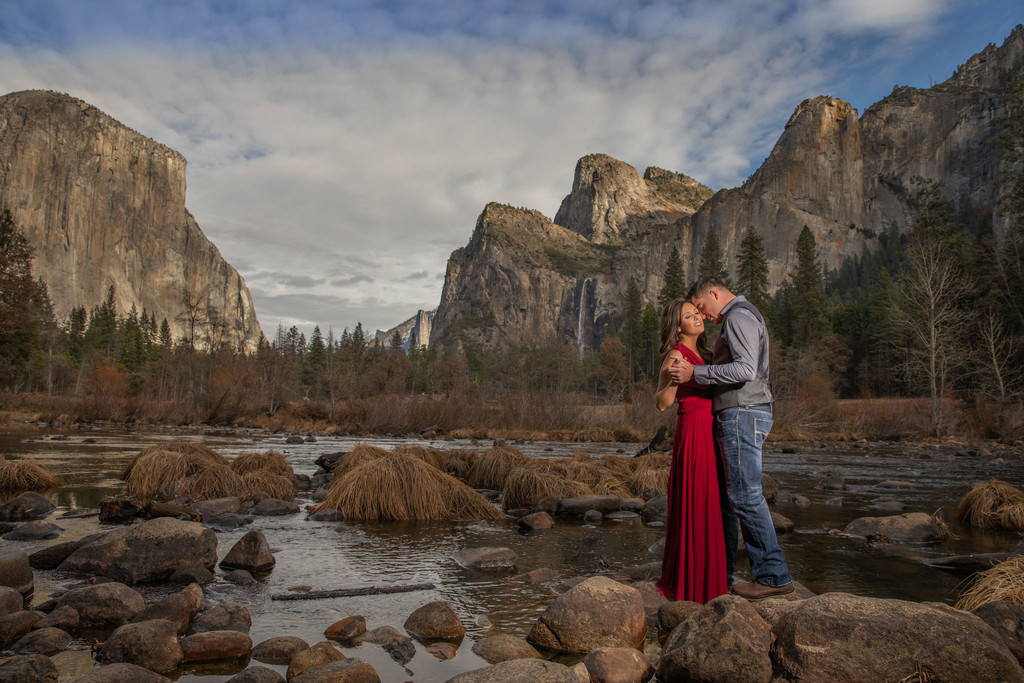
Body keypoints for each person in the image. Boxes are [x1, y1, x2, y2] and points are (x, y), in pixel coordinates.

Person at [671, 276, 794, 600]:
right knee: (733, 499)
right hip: (743, 411)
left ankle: (773, 575)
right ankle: (722, 578)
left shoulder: (738, 316)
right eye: (695, 312)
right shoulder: (743, 315)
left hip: (742, 412)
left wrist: (696, 374)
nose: (704, 315)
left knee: (745, 496)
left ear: (713, 293)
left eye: (701, 307)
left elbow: (744, 370)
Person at [653, 298, 727, 604]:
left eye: (697, 312)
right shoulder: (676, 354)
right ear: (677, 325)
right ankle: (690, 585)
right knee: (696, 503)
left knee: (713, 506)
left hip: (714, 432)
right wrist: (673, 379)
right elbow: (661, 402)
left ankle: (711, 582)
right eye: (688, 315)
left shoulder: (707, 354)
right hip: (694, 433)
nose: (697, 317)